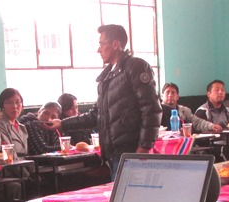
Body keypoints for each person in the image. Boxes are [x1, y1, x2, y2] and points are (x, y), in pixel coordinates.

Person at [46, 24, 162, 179]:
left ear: (115, 44)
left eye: (101, 44)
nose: (98, 50)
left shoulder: (135, 66)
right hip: (113, 153)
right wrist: (63, 123)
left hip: (132, 149)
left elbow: (152, 109)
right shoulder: (106, 78)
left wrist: (144, 145)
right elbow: (96, 115)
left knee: (132, 200)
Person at [0, 88, 28, 157]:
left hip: (25, 164)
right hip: (12, 165)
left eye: (18, 102)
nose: (14, 106)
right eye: (9, 103)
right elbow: (8, 152)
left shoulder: (22, 127)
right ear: (2, 106)